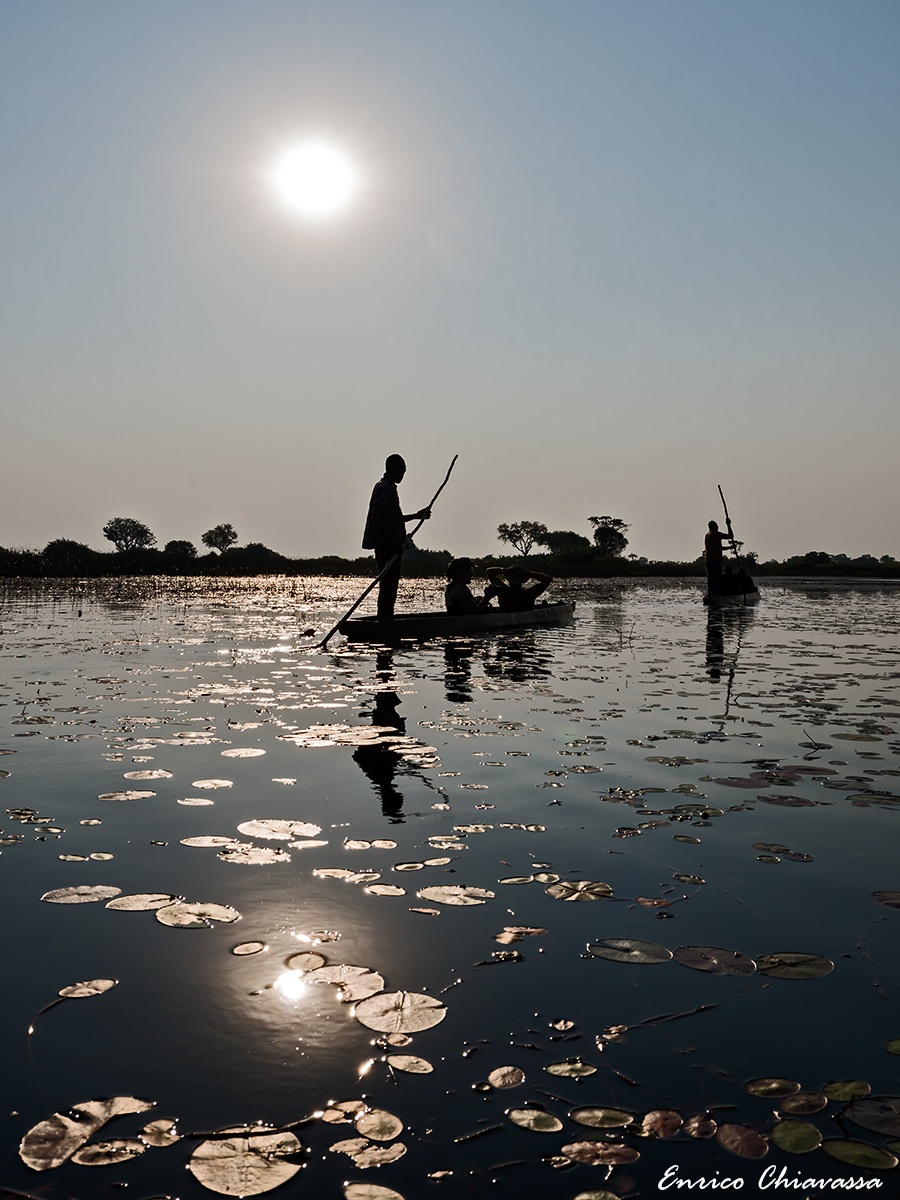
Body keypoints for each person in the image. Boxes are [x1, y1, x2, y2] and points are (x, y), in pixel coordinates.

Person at [362, 455, 431, 620]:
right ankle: (384, 620)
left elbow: (393, 517)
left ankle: (385, 617)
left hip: (391, 544)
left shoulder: (387, 488)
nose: (403, 475)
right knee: (388, 585)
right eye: (402, 471)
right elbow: (382, 518)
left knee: (389, 585)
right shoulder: (384, 489)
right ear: (393, 469)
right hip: (387, 546)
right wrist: (390, 541)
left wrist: (416, 516)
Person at [484, 565, 553, 612]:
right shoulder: (529, 593)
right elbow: (547, 579)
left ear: (508, 579)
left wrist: (505, 571)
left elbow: (489, 572)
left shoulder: (503, 591)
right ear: (523, 580)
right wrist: (529, 573)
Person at [704, 519, 736, 599]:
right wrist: (728, 525)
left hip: (708, 561)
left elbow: (718, 548)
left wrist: (730, 547)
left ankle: (711, 596)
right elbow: (730, 536)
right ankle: (715, 597)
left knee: (711, 581)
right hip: (715, 561)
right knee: (717, 581)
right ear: (715, 526)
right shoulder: (716, 534)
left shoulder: (707, 535)